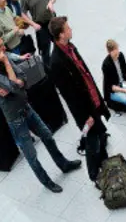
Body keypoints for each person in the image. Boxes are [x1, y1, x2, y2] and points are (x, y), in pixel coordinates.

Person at [0, 35, 82, 191]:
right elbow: (15, 85)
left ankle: (63, 164)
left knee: (47, 136)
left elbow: (23, 78)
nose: (4, 48)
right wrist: (9, 67)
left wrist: (14, 84)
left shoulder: (5, 57)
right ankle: (46, 181)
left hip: (26, 107)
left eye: (3, 44)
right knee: (31, 154)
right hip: (15, 118)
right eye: (0, 47)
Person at [47, 17, 111, 178]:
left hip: (92, 99)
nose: (71, 30)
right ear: (61, 34)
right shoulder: (56, 62)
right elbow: (69, 95)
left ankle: (105, 163)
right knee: (92, 140)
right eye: (68, 28)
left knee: (100, 134)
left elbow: (85, 74)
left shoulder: (71, 48)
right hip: (84, 109)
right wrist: (85, 116)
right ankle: (93, 174)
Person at [18, 0, 56, 64]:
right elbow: (23, 13)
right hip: (41, 26)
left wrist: (51, 2)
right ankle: (48, 71)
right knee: (45, 51)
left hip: (52, 20)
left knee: (59, 43)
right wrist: (33, 24)